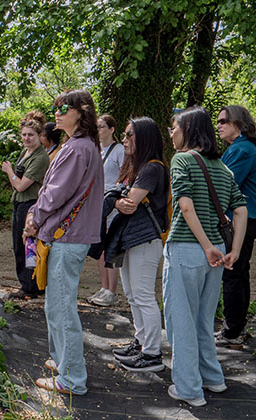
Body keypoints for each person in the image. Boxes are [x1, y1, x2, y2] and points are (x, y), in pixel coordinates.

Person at [164, 107, 247, 407]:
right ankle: (212, 377)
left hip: (188, 248)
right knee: (203, 319)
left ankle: (188, 389)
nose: (171, 134)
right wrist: (233, 250)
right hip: (218, 254)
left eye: (174, 127)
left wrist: (205, 245)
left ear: (188, 129)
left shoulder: (182, 160)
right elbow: (241, 209)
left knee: (182, 321)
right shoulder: (223, 168)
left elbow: (185, 206)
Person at [25, 90, 103, 396]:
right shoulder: (83, 145)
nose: (56, 113)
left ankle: (72, 378)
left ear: (82, 111)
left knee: (61, 309)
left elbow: (55, 194)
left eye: (63, 108)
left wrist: (34, 218)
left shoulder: (77, 148)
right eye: (55, 108)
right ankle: (62, 361)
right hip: (69, 236)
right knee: (56, 306)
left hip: (66, 237)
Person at [107, 117, 168, 372]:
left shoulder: (152, 169)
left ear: (143, 138)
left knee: (142, 295)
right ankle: (141, 342)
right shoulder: (138, 168)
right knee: (132, 295)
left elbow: (130, 203)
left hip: (145, 239)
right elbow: (121, 199)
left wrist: (116, 198)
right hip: (132, 238)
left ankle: (152, 354)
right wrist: (117, 199)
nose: (123, 140)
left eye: (128, 135)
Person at [215, 105, 256, 344]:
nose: (219, 125)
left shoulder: (241, 149)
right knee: (239, 272)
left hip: (243, 217)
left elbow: (225, 184)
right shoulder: (240, 148)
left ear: (239, 123)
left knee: (233, 272)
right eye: (218, 121)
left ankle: (232, 330)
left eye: (224, 121)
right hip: (246, 216)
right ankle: (236, 326)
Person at [3, 112, 49, 300]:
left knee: (27, 244)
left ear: (40, 136)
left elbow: (21, 185)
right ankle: (30, 283)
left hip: (29, 203)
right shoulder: (25, 152)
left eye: (31, 135)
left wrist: (9, 171)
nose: (27, 138)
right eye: (24, 135)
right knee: (19, 244)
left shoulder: (40, 158)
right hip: (18, 201)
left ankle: (30, 286)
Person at [89, 114, 126, 307]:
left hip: (111, 204)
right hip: (97, 203)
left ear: (112, 129)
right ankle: (104, 288)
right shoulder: (96, 150)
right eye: (96, 127)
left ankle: (112, 291)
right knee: (99, 246)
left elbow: (124, 176)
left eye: (102, 127)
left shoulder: (119, 150)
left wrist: (116, 197)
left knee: (110, 246)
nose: (98, 130)